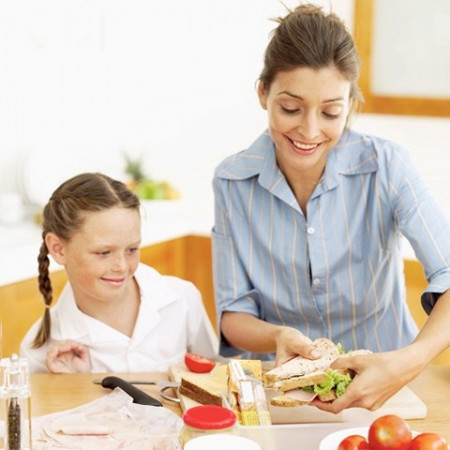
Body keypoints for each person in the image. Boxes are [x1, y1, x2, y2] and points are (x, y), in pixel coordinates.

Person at [211, 3, 450, 413]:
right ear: (263, 93)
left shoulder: (387, 166)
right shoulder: (232, 181)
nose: (309, 130)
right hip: (289, 397)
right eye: (290, 108)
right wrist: (276, 336)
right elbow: (234, 313)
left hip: (388, 391)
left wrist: (407, 361)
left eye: (331, 112)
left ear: (350, 104)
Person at [20, 172, 217, 373]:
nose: (122, 266)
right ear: (58, 249)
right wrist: (74, 385)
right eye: (104, 253)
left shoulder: (182, 300)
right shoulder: (39, 352)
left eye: (132, 249)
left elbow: (217, 380)